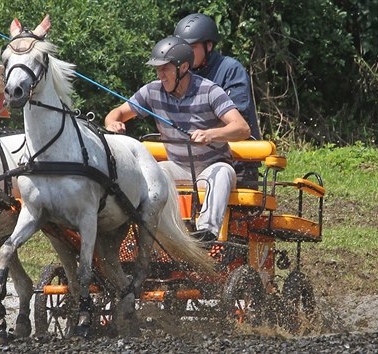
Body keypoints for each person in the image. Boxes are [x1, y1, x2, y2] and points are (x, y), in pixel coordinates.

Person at [104, 36, 250, 240]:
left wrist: (211, 134)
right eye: (157, 69)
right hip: (178, 167)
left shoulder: (210, 91)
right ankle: (156, 233)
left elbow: (242, 128)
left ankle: (206, 234)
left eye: (165, 69)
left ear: (183, 68)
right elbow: (117, 113)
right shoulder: (152, 91)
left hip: (211, 166)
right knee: (156, 172)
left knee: (222, 173)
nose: (160, 75)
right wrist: (113, 123)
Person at [174, 13, 262, 187]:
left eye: (191, 47)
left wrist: (207, 135)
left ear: (209, 46)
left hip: (237, 164)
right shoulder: (182, 75)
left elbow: (239, 123)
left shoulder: (230, 69)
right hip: (195, 164)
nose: (185, 54)